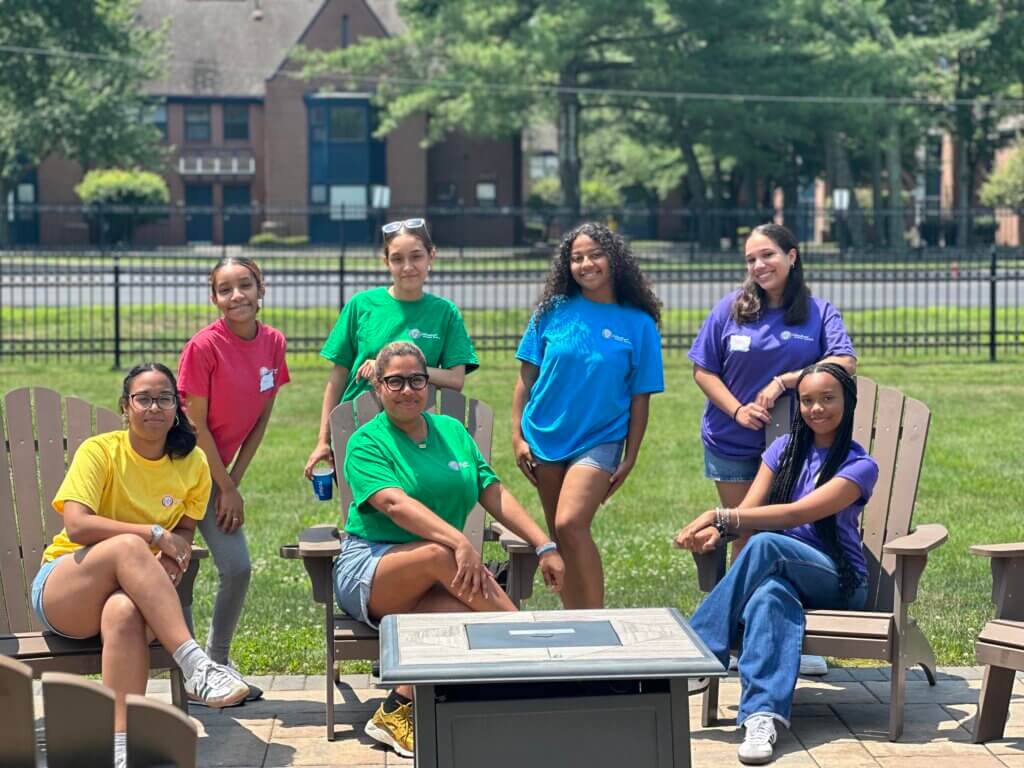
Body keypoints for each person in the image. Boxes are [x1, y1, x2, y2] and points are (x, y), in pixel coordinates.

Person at [333, 342, 565, 758]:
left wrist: (543, 543)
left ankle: (397, 709)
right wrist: (459, 540)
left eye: (416, 380)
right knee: (441, 556)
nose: (407, 390)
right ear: (379, 389)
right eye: (395, 381)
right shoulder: (366, 443)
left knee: (460, 611)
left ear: (429, 384)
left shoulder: (454, 432)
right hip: (370, 569)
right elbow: (393, 504)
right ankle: (539, 662)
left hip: (440, 574)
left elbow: (492, 492)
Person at [31, 363, 250, 768]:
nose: (154, 407)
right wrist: (152, 535)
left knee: (124, 610)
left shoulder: (194, 464)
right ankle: (196, 665)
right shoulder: (100, 451)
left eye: (164, 398)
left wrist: (174, 554)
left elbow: (184, 530)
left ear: (176, 408)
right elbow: (77, 524)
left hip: (136, 595)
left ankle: (119, 747)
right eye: (143, 398)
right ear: (125, 407)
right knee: (130, 545)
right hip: (69, 589)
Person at [674, 362, 878, 765]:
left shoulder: (859, 465)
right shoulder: (781, 451)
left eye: (827, 399)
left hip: (840, 580)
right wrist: (715, 535)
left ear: (848, 403)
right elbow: (747, 512)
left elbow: (793, 515)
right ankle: (761, 717)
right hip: (783, 572)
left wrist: (719, 516)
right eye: (807, 400)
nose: (817, 408)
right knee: (769, 597)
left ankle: (697, 652)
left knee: (768, 543)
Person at [687, 222, 856, 676]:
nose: (759, 266)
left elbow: (844, 363)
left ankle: (780, 634)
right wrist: (738, 409)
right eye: (751, 259)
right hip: (731, 441)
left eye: (768, 255)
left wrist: (786, 380)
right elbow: (704, 370)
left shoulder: (818, 314)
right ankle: (747, 637)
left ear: (793, 256)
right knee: (743, 532)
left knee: (782, 535)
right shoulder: (731, 310)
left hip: (794, 450)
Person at [512, 222, 663, 609]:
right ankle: (574, 624)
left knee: (571, 524)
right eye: (576, 257)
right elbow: (526, 376)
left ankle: (596, 623)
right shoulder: (552, 311)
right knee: (559, 538)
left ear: (614, 259)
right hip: (544, 435)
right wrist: (517, 435)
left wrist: (630, 455)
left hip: (601, 437)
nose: (586, 264)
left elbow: (640, 396)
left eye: (595, 254)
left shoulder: (639, 324)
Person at [177, 255, 290, 703]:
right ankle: (189, 671)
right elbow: (196, 427)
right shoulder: (204, 347)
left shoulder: (274, 343)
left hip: (220, 475)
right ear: (215, 298)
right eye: (225, 289)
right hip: (180, 472)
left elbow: (261, 421)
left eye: (245, 285)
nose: (236, 295)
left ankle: (218, 663)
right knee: (174, 568)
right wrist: (225, 487)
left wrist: (233, 485)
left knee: (238, 569)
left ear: (260, 290)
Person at [304, 217, 478, 479]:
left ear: (432, 256)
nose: (407, 267)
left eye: (416, 256)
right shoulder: (361, 305)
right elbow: (338, 377)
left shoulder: (445, 313)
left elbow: (455, 379)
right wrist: (323, 440)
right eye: (397, 259)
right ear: (385, 262)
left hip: (417, 430)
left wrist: (391, 371)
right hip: (358, 426)